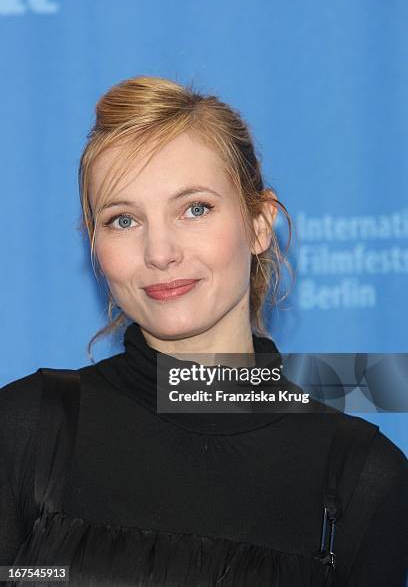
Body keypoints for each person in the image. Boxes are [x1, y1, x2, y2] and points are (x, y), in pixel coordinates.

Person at [0, 76, 407, 587]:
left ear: (259, 224)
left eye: (195, 208)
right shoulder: (25, 430)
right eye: (123, 219)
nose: (160, 252)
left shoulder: (359, 475)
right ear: (95, 246)